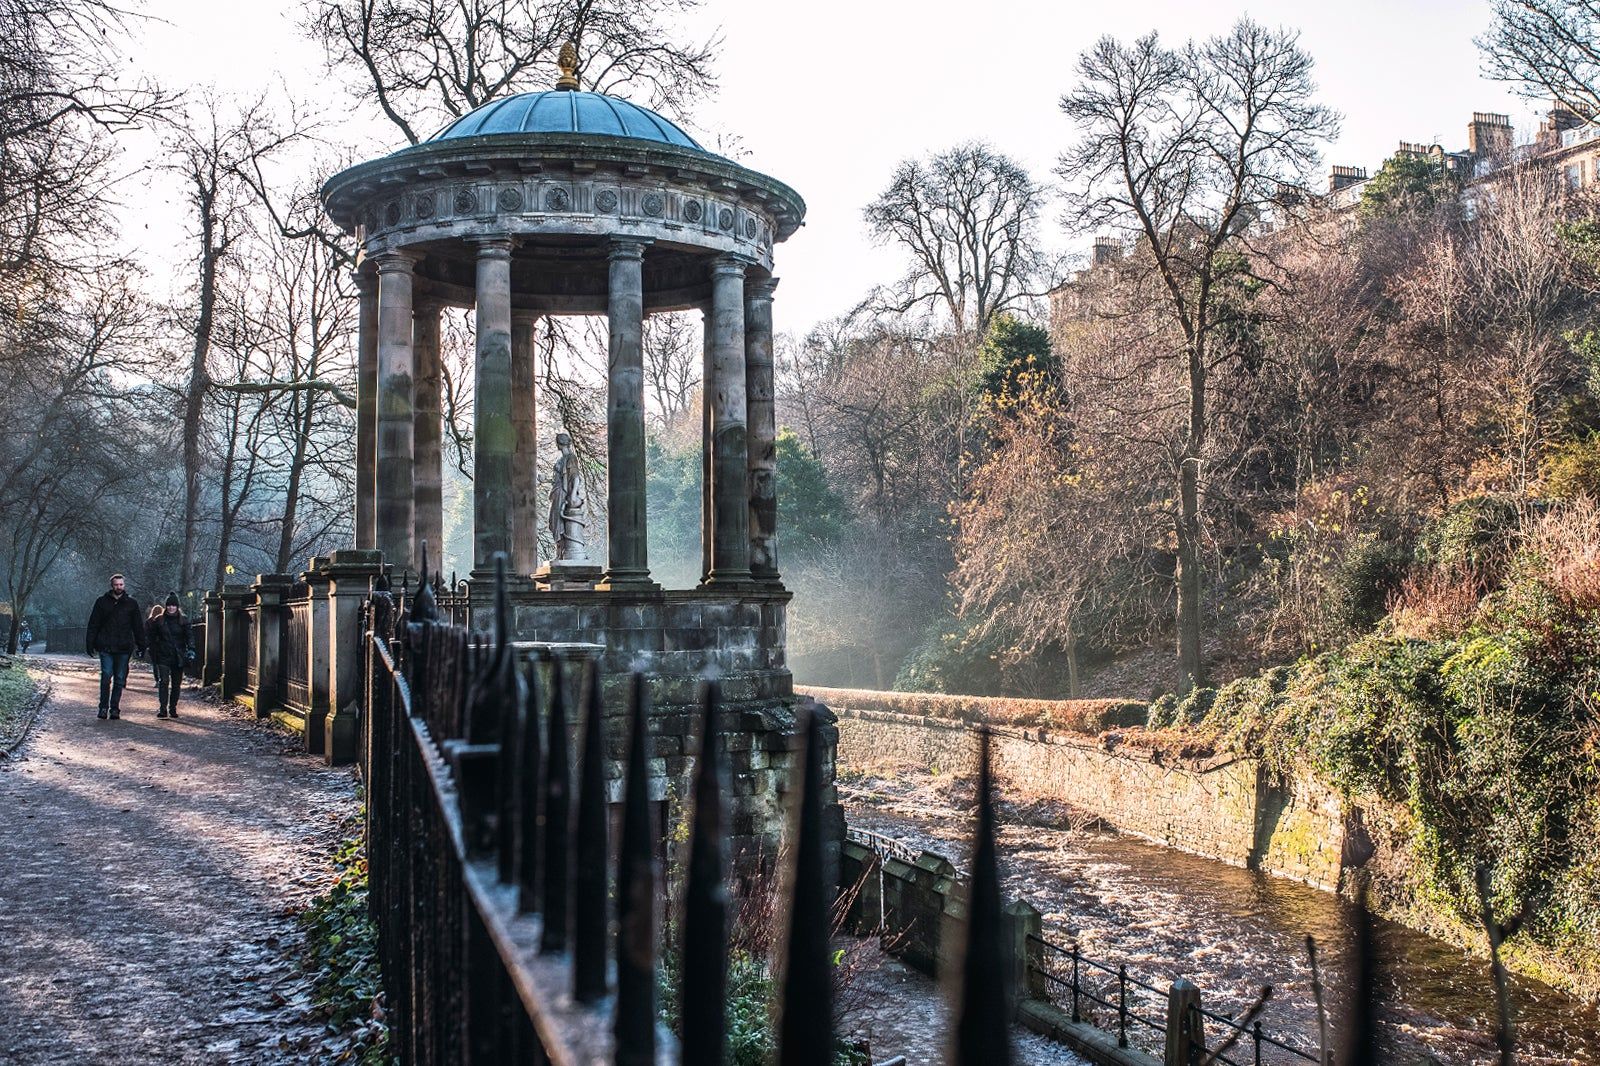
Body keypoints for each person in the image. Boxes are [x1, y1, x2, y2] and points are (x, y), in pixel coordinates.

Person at [86, 573, 146, 720]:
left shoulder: (131, 604)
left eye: (121, 584)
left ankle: (114, 708)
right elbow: (94, 624)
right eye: (116, 584)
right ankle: (103, 707)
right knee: (106, 675)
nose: (119, 587)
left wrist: (141, 645)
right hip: (105, 645)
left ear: (124, 585)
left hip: (124, 647)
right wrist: (90, 643)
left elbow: (137, 626)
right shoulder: (102, 602)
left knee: (119, 678)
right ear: (111, 585)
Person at [146, 593, 191, 720]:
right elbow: (152, 637)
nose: (171, 607)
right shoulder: (159, 620)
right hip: (163, 654)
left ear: (177, 607)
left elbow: (189, 636)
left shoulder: (184, 620)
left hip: (178, 656)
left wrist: (191, 649)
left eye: (174, 605)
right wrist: (153, 650)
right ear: (166, 606)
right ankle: (162, 708)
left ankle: (173, 708)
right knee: (163, 682)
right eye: (169, 605)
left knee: (176, 684)